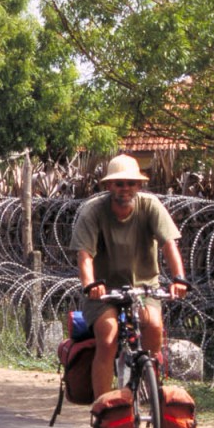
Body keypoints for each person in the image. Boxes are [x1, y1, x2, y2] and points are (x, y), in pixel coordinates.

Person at [69, 154, 190, 399]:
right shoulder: (93, 211)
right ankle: (103, 409)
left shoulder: (150, 206)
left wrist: (179, 279)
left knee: (154, 326)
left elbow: (169, 245)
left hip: (144, 287)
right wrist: (91, 285)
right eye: (119, 183)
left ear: (139, 186)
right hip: (104, 291)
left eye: (131, 183)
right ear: (108, 186)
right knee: (108, 336)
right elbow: (85, 256)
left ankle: (146, 385)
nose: (126, 189)